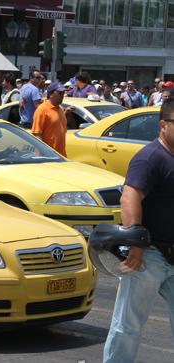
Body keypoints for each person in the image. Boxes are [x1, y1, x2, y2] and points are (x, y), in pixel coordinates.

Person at [102, 99, 174, 362]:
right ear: (163, 125)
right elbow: (129, 196)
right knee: (128, 326)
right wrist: (136, 243)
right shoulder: (150, 157)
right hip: (149, 255)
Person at [32, 81, 71, 157]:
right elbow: (37, 135)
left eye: (63, 93)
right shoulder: (42, 109)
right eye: (60, 93)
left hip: (61, 156)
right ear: (50, 94)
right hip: (48, 157)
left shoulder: (60, 109)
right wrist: (43, 155)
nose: (62, 95)